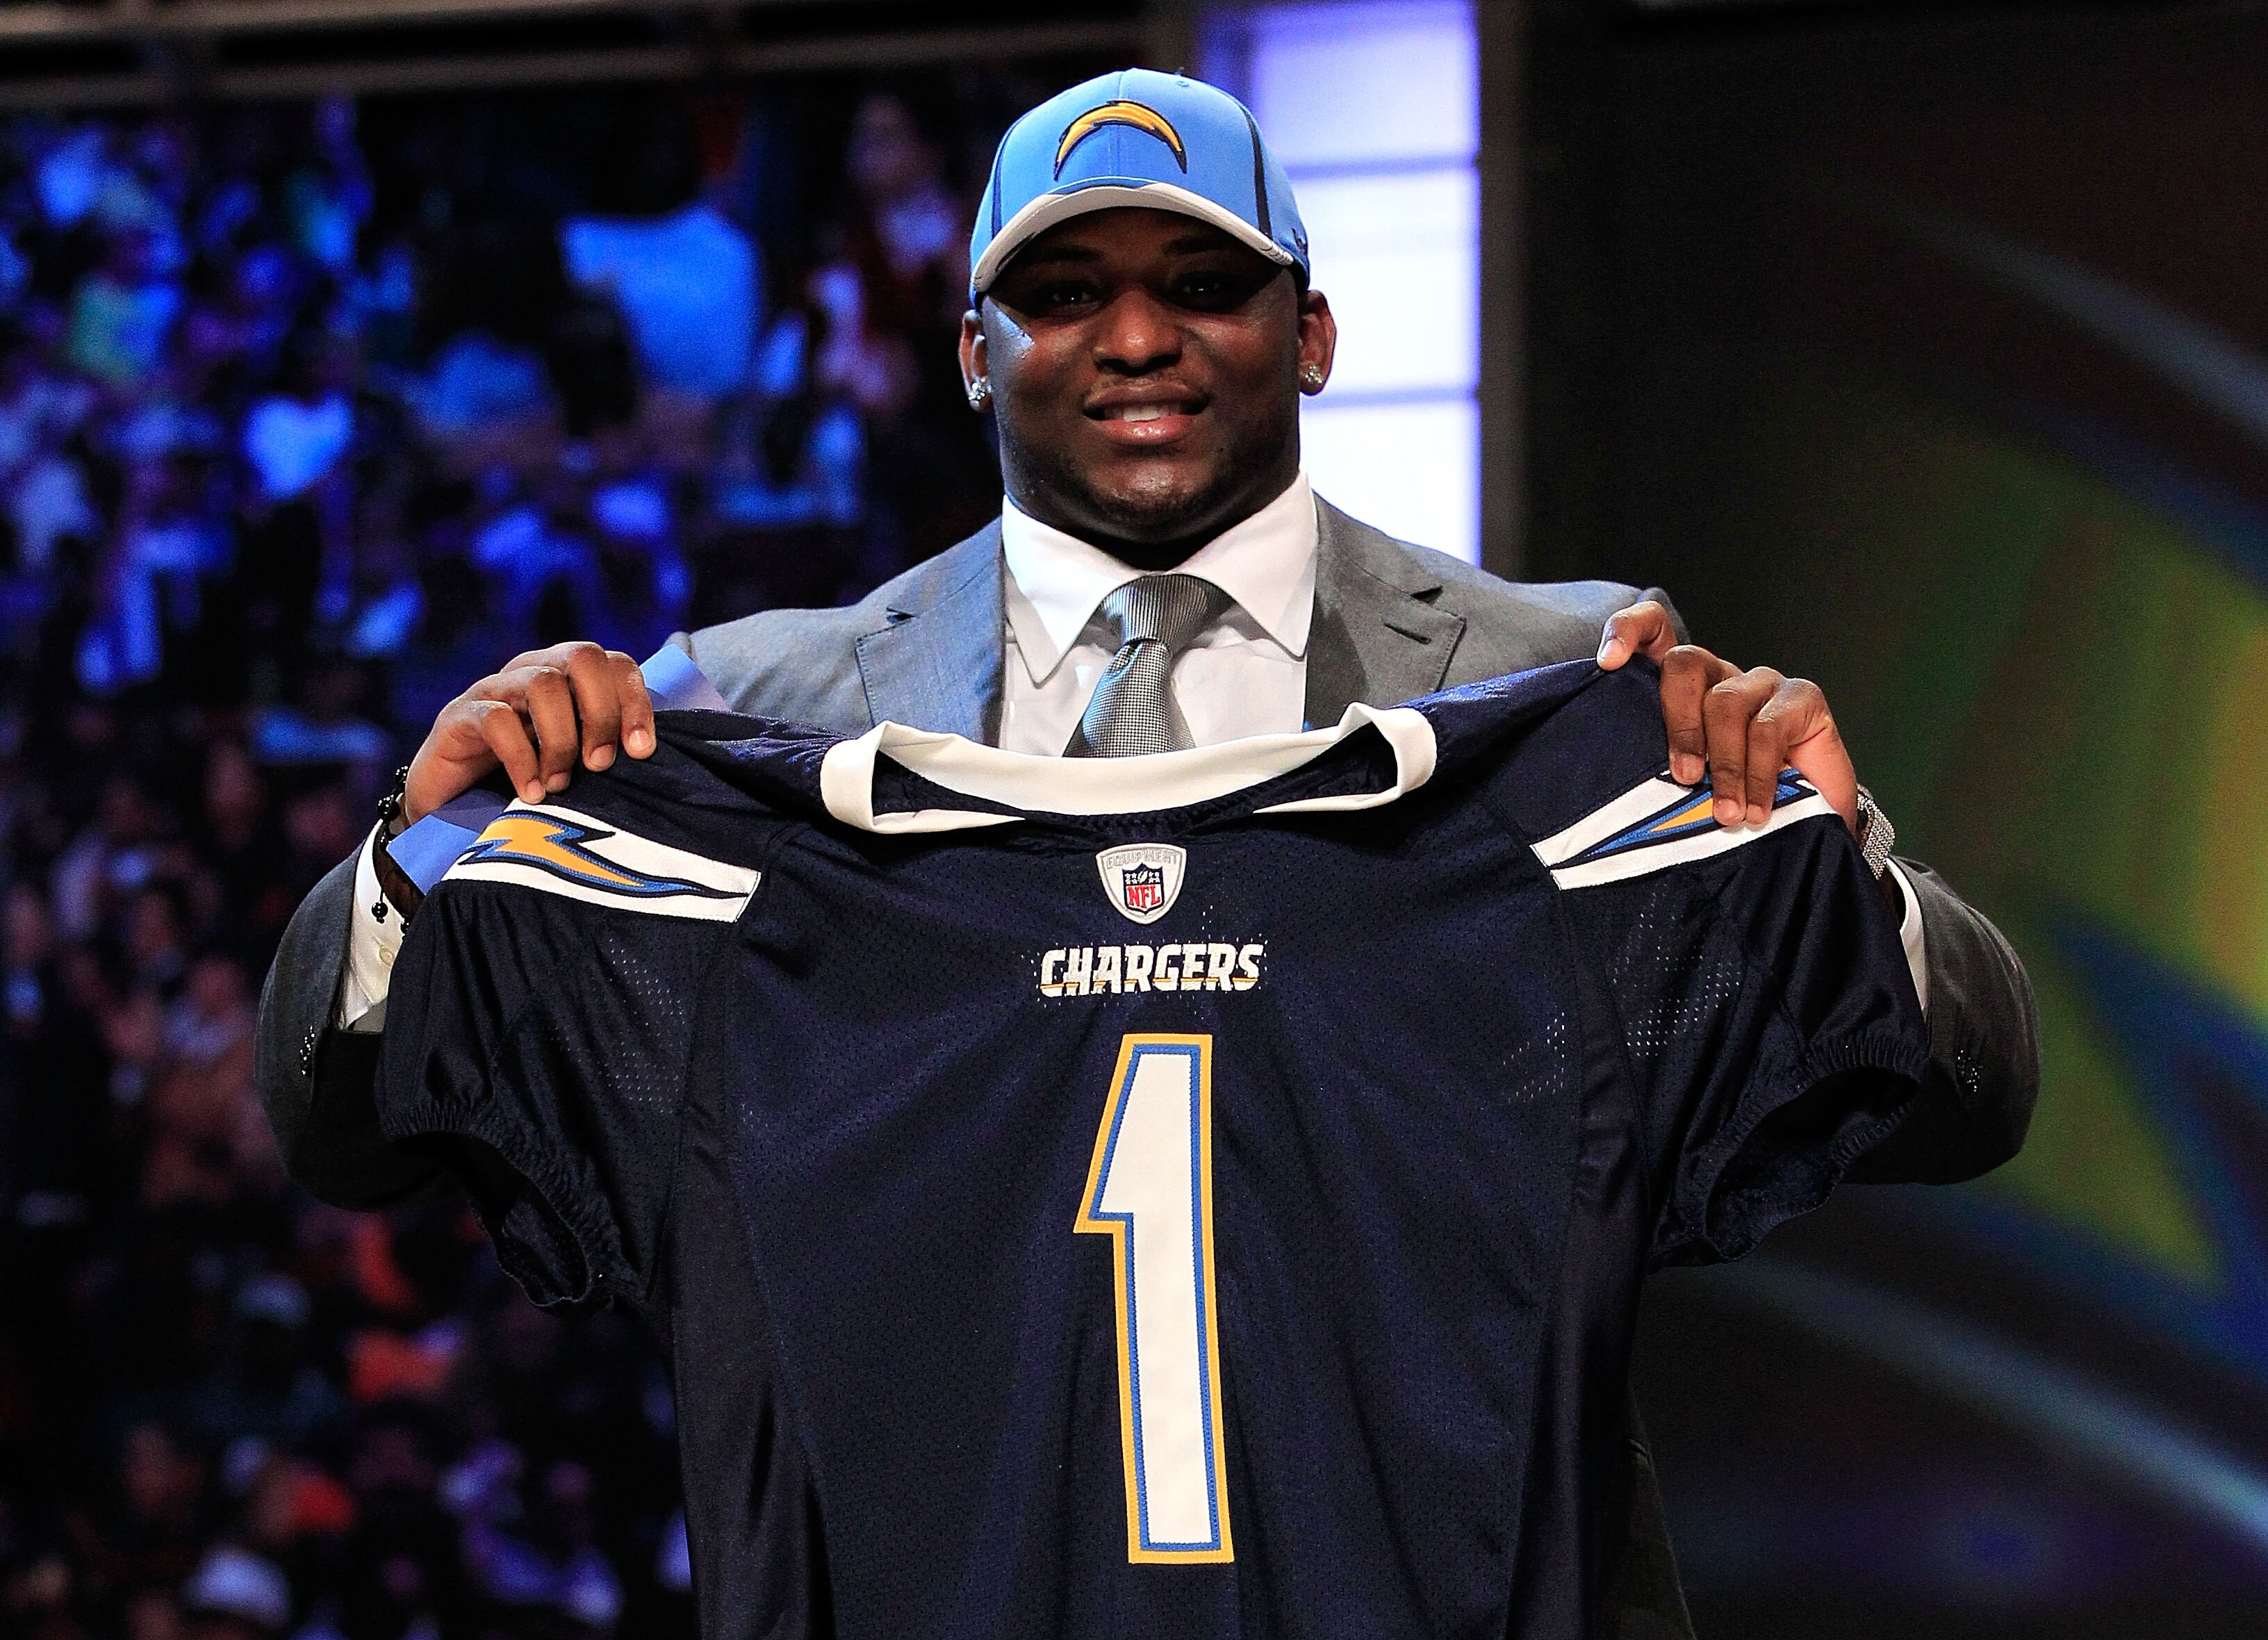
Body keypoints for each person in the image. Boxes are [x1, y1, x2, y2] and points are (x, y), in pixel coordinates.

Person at [256, 69, 2037, 1638]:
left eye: (1206, 288)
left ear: (1313, 333)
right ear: (973, 350)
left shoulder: (1571, 689)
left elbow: (1960, 1082)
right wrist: (421, 864)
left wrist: (1840, 850)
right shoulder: (733, 722)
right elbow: (346, 1119)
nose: (1135, 339)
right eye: (1062, 292)